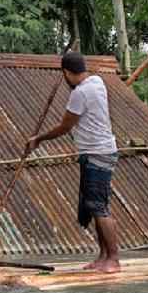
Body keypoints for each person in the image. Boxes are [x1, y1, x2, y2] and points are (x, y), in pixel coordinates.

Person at [26, 52, 121, 273]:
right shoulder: (97, 81)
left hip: (98, 154)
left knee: (99, 207)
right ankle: (102, 257)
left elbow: (65, 127)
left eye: (66, 75)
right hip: (100, 151)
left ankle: (114, 259)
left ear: (67, 73)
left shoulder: (80, 93)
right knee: (93, 205)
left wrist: (38, 139)